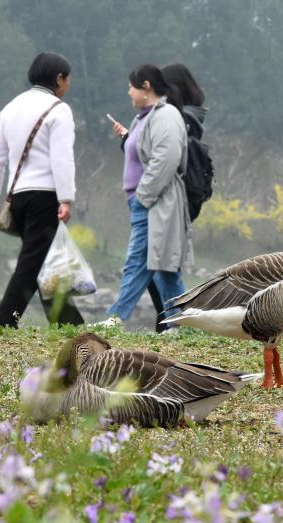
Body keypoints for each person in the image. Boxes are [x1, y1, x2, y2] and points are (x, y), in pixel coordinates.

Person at [0, 52, 84, 328]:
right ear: (59, 78)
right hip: (45, 195)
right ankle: (4, 321)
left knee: (43, 259)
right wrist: (66, 198)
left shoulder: (10, 108)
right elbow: (61, 158)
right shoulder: (59, 109)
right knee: (32, 263)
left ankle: (68, 322)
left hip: (19, 196)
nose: (68, 84)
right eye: (68, 79)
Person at [97, 64, 192, 329]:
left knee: (138, 261)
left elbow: (165, 159)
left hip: (154, 202)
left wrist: (143, 196)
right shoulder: (143, 118)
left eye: (131, 87)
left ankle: (116, 317)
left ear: (146, 87)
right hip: (145, 201)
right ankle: (179, 324)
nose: (129, 92)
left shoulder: (166, 115)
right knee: (165, 268)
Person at [145, 63, 207, 332]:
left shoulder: (179, 119)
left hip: (173, 198)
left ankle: (179, 325)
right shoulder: (191, 117)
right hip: (184, 197)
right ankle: (169, 323)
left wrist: (145, 193)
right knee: (157, 264)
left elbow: (167, 160)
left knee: (164, 265)